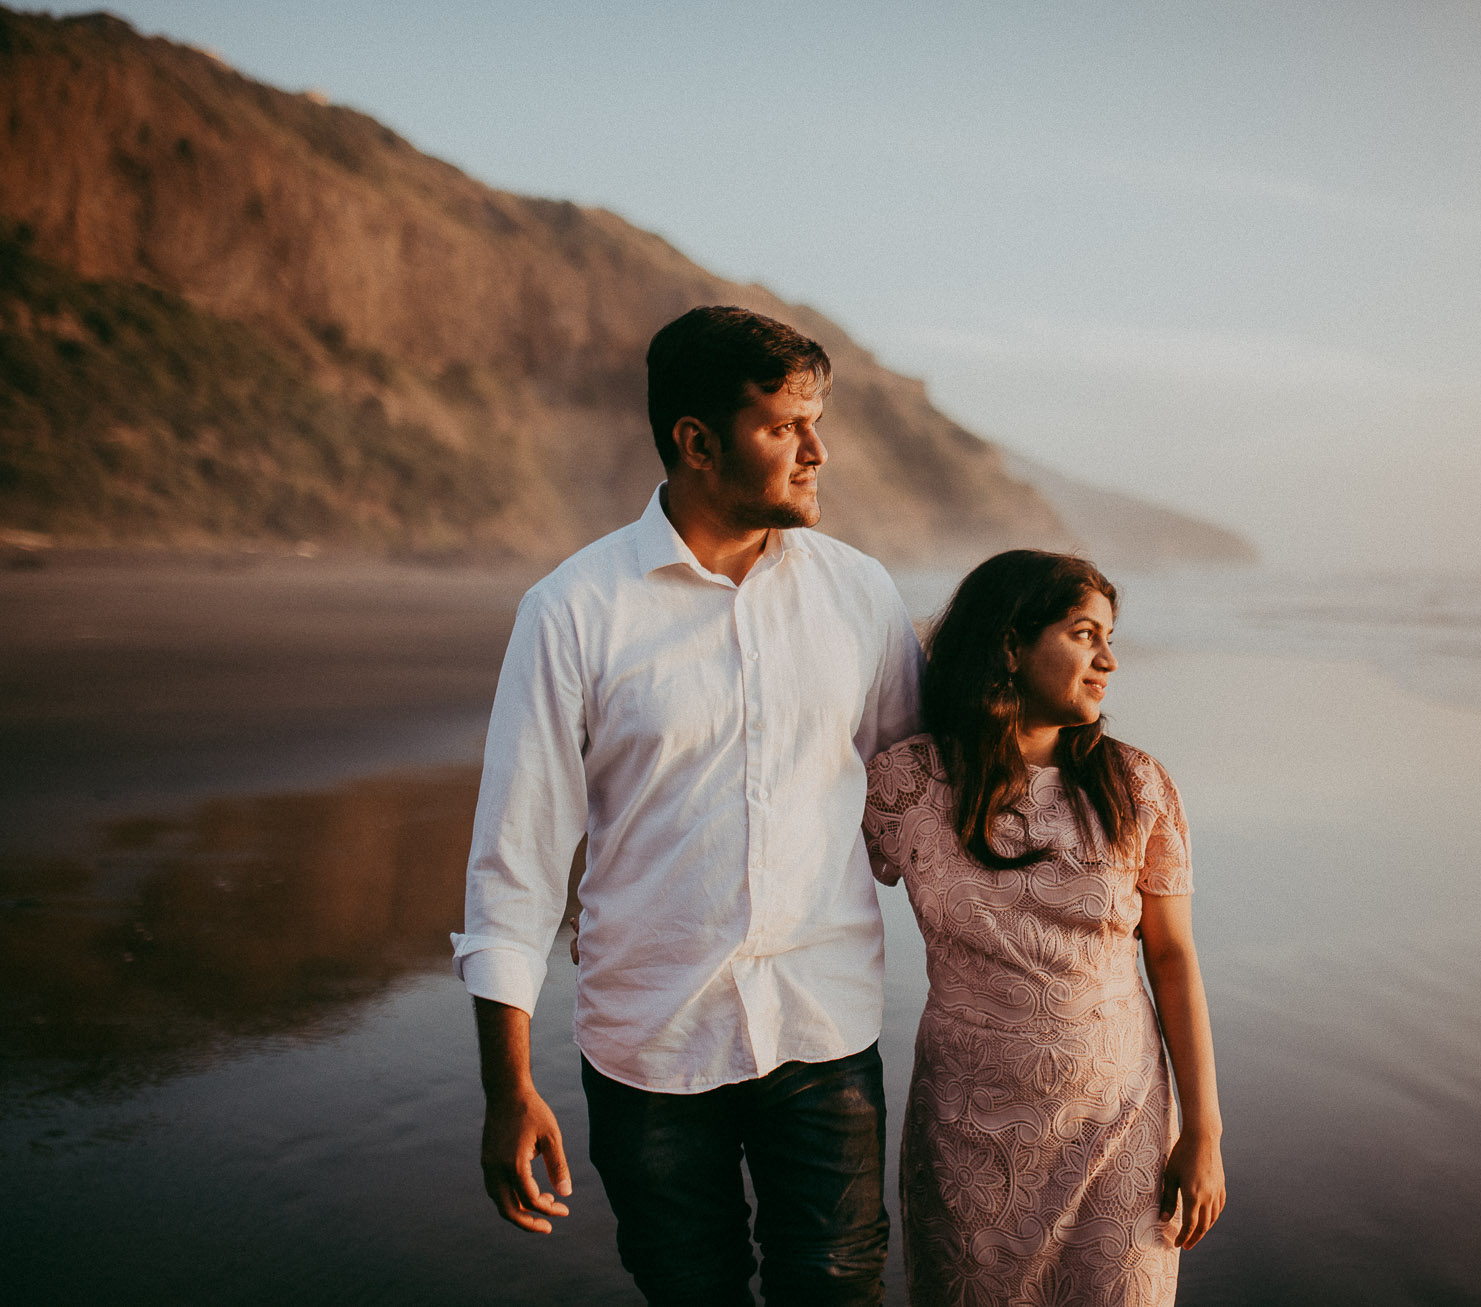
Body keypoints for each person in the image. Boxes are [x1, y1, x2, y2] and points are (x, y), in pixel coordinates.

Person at [452, 304, 923, 1305]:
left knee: (840, 1291)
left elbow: (911, 799)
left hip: (821, 1030)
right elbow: (516, 860)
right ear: (696, 441)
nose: (818, 450)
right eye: (785, 426)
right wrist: (507, 1085)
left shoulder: (859, 595)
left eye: (818, 421)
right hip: (648, 1043)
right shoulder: (574, 610)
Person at [862, 550, 1225, 1306]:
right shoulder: (910, 782)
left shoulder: (1137, 784)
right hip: (968, 1137)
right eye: (1085, 634)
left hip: (1119, 1128)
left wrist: (1205, 1133)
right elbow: (803, 891)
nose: (1110, 660)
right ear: (1009, 644)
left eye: (1110, 636)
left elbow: (1173, 956)